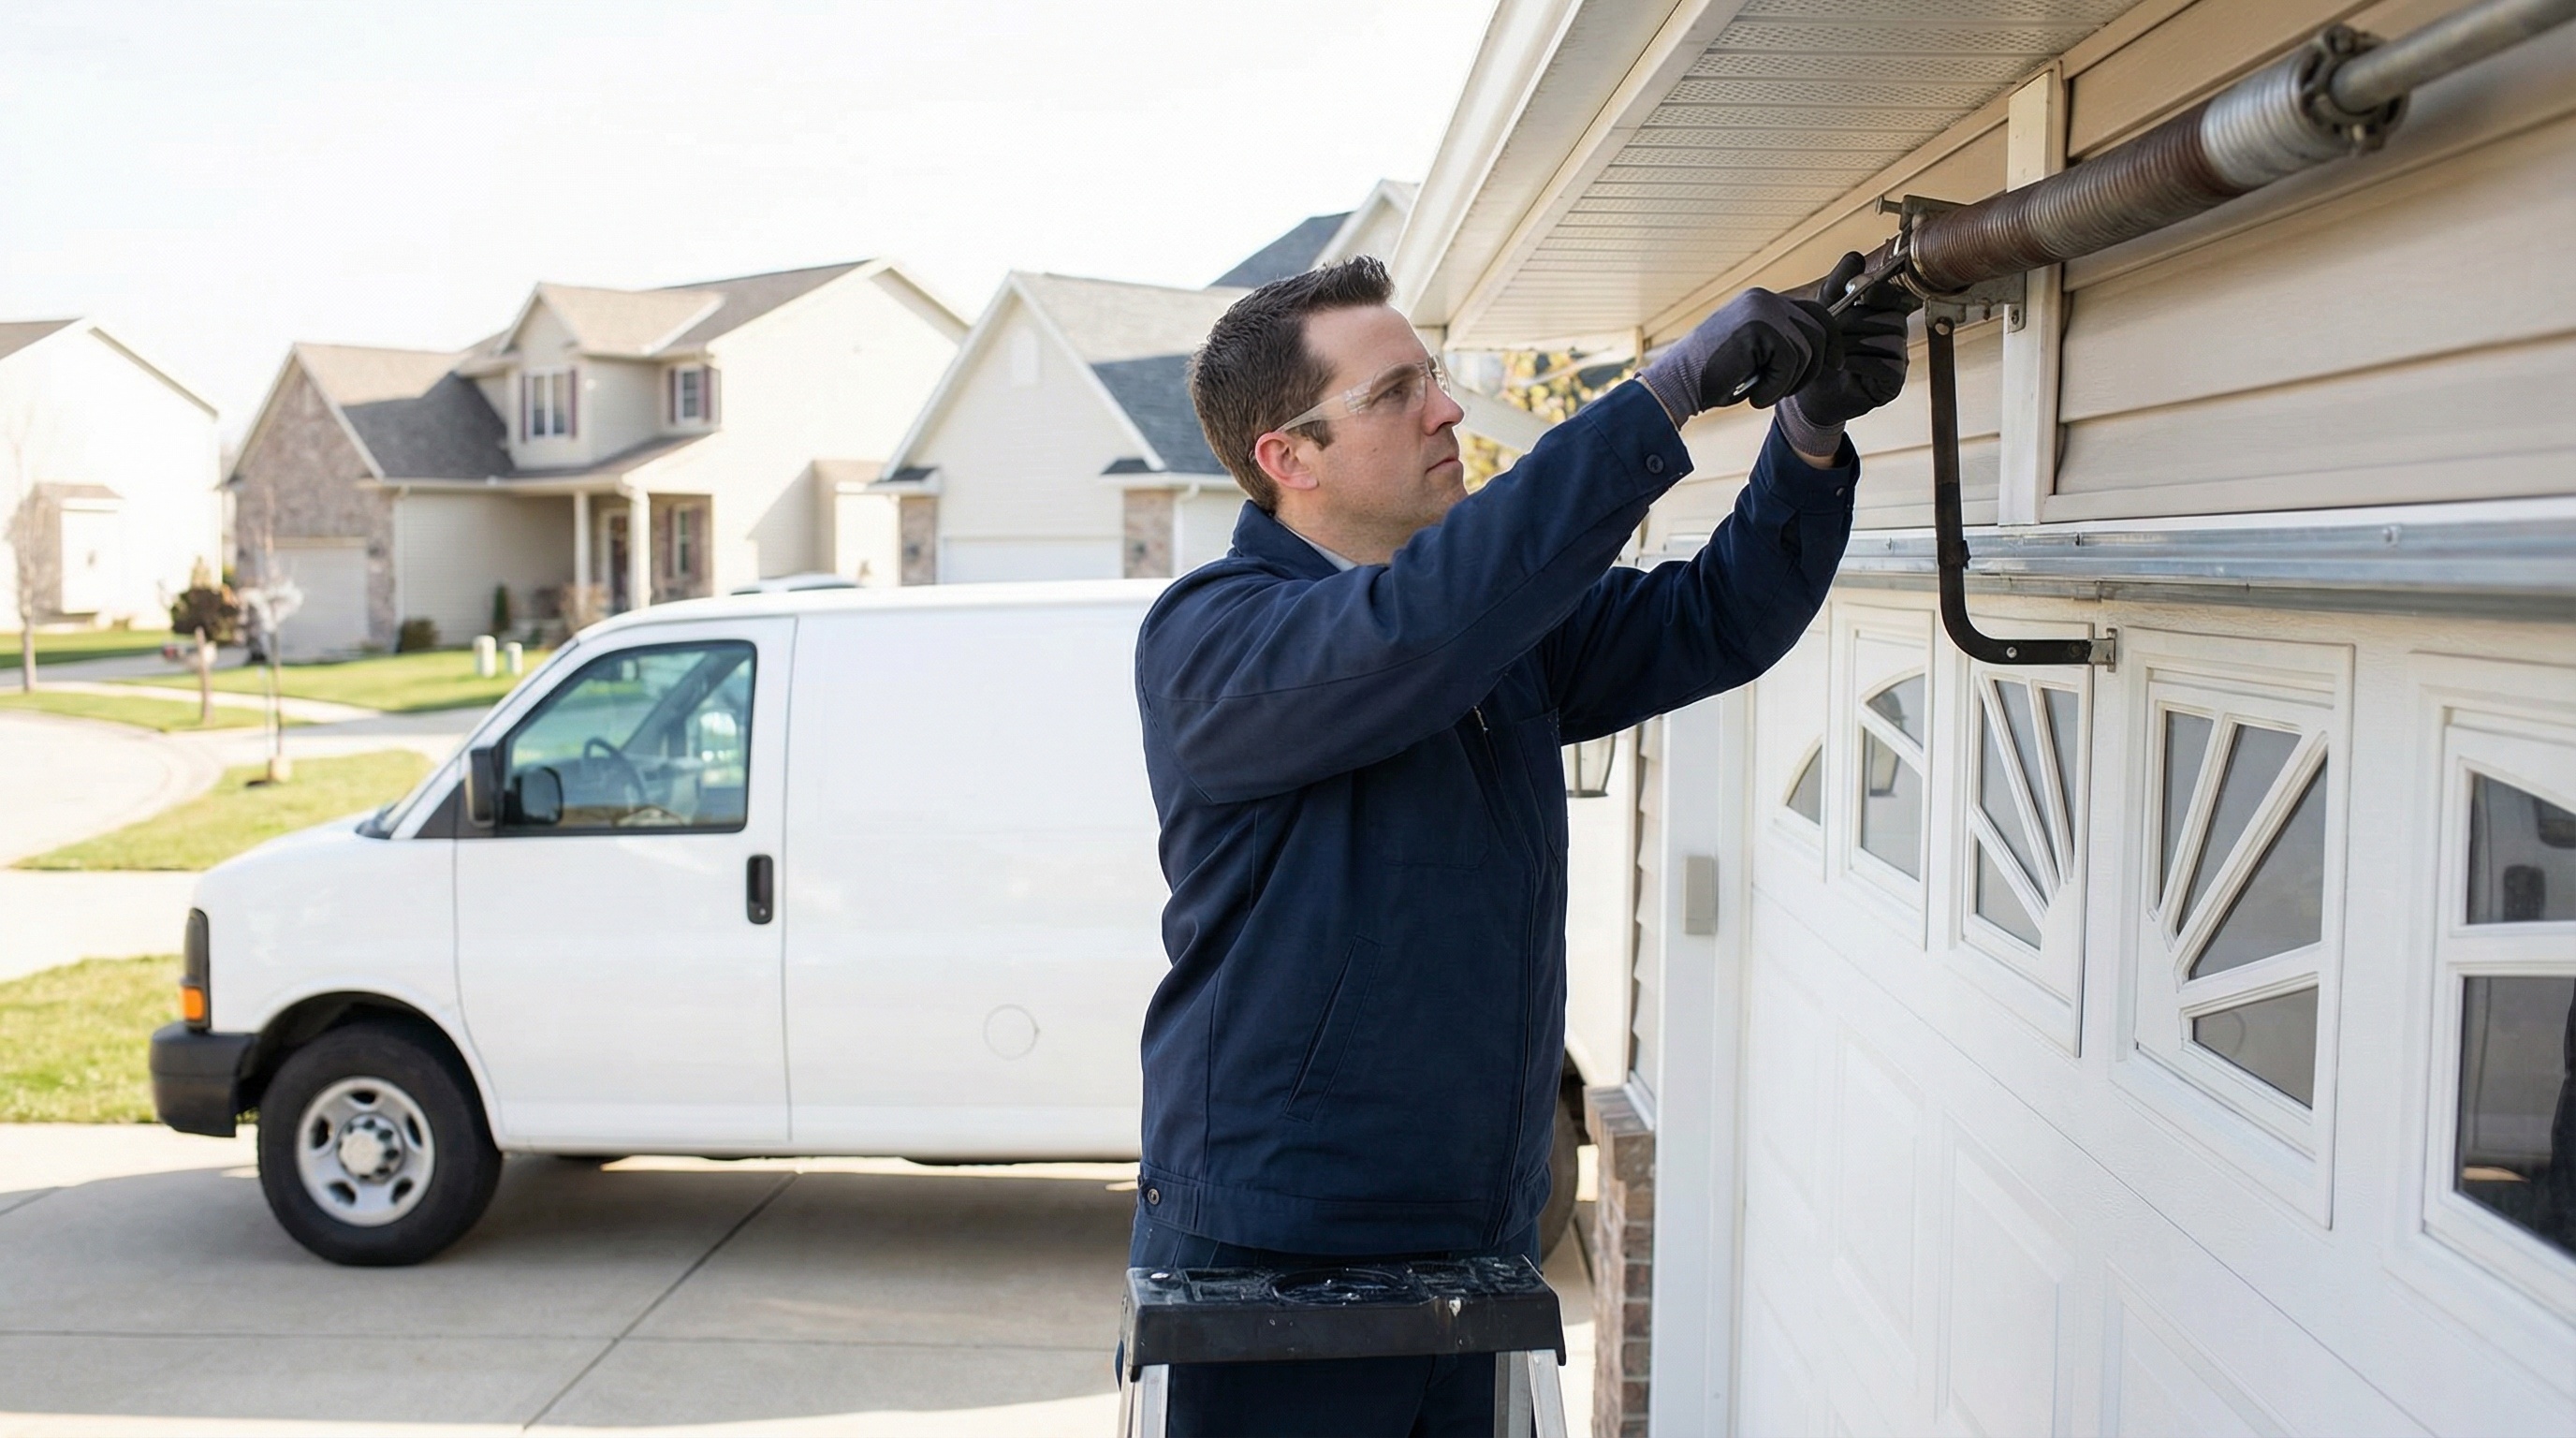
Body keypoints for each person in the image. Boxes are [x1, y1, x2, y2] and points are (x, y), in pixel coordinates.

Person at [1130, 253, 1910, 1435]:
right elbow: (1413, 633)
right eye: (1393, 395)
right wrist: (1657, 399)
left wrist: (1804, 434)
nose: (1444, 409)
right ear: (1287, 457)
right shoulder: (1215, 641)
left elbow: (1717, 619)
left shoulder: (1491, 627)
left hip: (1474, 1245)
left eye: (1431, 379)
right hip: (1273, 1263)